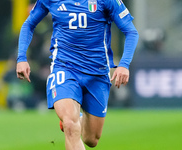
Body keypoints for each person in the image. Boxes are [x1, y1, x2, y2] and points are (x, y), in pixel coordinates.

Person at [16, 0, 139, 149]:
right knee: (70, 125)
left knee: (91, 139)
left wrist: (124, 65)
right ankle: (70, 119)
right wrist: (21, 58)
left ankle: (77, 118)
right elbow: (29, 24)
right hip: (64, 67)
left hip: (97, 73)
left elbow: (131, 32)